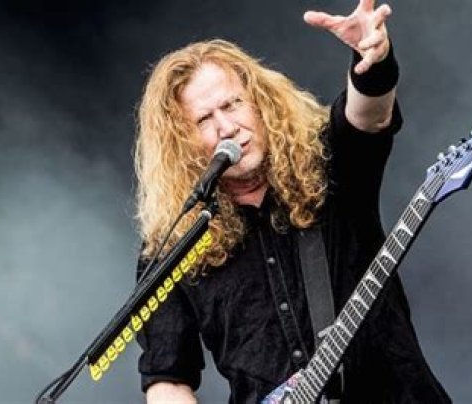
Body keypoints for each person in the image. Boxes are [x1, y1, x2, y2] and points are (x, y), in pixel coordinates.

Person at [133, 0, 451, 402]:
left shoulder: (329, 163)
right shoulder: (174, 246)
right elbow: (167, 377)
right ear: (181, 144)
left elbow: (369, 116)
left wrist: (372, 60)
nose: (227, 127)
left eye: (232, 104)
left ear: (260, 102)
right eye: (203, 120)